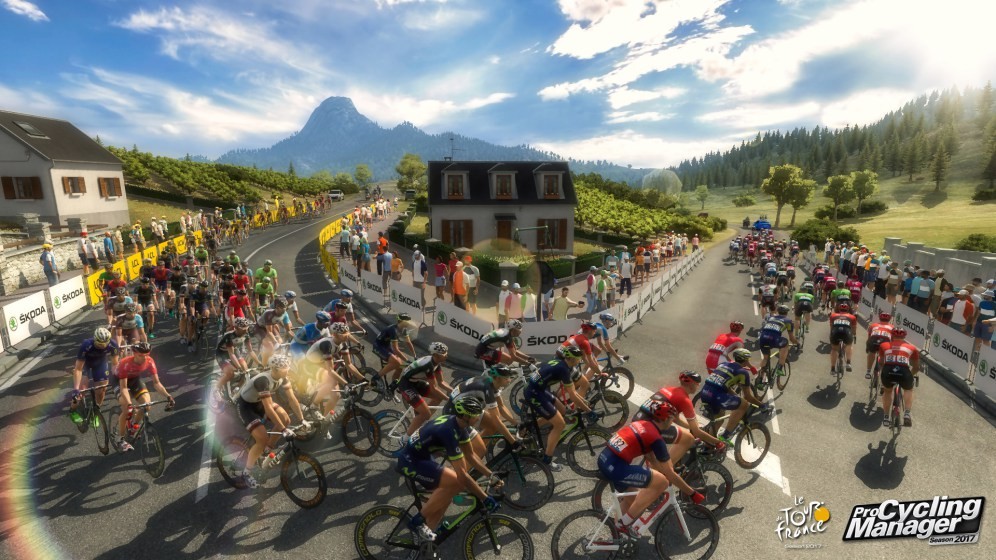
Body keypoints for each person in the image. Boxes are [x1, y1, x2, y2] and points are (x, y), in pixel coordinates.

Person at [396, 395, 499, 543]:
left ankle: (425, 543)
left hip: (422, 456)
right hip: (410, 461)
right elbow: (462, 475)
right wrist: (485, 498)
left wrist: (491, 475)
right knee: (456, 482)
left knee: (447, 496)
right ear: (465, 416)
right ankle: (417, 521)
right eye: (475, 415)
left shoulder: (460, 425)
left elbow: (471, 456)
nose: (478, 418)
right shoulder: (449, 432)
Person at [598, 399, 705, 537]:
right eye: (671, 419)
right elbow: (668, 473)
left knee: (632, 497)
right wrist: (692, 493)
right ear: (665, 419)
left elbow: (651, 458)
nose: (672, 422)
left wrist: (666, 471)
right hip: (616, 466)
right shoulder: (656, 438)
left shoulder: (643, 424)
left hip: (605, 459)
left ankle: (617, 534)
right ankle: (624, 524)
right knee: (662, 482)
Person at [234, 354, 308, 488]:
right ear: (275, 369)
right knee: (262, 439)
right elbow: (268, 409)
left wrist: (302, 420)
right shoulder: (263, 381)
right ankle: (246, 473)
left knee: (285, 419)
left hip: (259, 402)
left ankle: (267, 450)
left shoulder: (283, 378)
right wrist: (283, 430)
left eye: (288, 367)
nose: (288, 371)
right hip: (246, 407)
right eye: (285, 369)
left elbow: (292, 399)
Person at [524, 342, 595, 471]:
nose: (580, 361)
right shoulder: (564, 369)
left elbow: (573, 393)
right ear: (572, 359)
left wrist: (584, 403)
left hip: (538, 389)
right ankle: (547, 459)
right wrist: (589, 411)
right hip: (534, 393)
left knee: (562, 410)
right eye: (578, 359)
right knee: (560, 424)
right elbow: (573, 395)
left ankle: (530, 426)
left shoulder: (562, 363)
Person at [631, 371, 725, 464]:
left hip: (637, 422)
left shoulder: (667, 389)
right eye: (697, 384)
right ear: (692, 384)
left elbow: (676, 419)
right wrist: (717, 442)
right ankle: (665, 469)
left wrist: (692, 427)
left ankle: (663, 465)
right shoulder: (685, 400)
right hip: (647, 429)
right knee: (688, 439)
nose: (698, 387)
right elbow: (696, 432)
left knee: (682, 434)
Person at [441, 365, 519, 459]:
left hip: (466, 409)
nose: (509, 380)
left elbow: (501, 407)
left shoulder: (492, 383)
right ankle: (465, 463)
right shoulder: (487, 389)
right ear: (498, 378)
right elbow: (497, 419)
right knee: (480, 451)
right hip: (455, 415)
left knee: (492, 426)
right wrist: (513, 442)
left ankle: (473, 451)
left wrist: (516, 424)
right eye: (506, 378)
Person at [113, 342, 174, 452]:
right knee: (127, 409)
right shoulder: (125, 363)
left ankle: (133, 426)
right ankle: (119, 439)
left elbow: (156, 383)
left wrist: (168, 396)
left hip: (134, 379)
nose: (144, 357)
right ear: (134, 354)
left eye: (147, 354)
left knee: (147, 405)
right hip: (119, 381)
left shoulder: (149, 361)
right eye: (141, 355)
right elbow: (123, 388)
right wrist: (129, 404)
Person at [698, 349, 767, 444]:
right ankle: (725, 436)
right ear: (746, 360)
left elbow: (725, 386)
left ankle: (709, 444)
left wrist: (736, 396)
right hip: (716, 396)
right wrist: (762, 405)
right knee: (744, 404)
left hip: (705, 392)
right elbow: (748, 397)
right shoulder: (743, 372)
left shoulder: (723, 364)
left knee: (719, 418)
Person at [392, 342, 452, 442]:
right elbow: (434, 388)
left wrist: (455, 392)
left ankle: (421, 421)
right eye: (444, 354)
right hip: (406, 385)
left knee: (438, 398)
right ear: (436, 355)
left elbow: (441, 382)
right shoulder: (428, 365)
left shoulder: (436, 362)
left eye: (446, 352)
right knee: (426, 414)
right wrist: (449, 399)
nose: (446, 355)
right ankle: (404, 439)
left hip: (415, 382)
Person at [69, 328, 119, 425]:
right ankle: (72, 410)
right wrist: (76, 389)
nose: (102, 346)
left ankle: (96, 412)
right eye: (99, 344)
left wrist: (117, 379)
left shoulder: (113, 344)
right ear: (95, 339)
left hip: (100, 364)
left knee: (101, 391)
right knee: (81, 391)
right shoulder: (86, 344)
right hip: (86, 364)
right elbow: (78, 369)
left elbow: (115, 364)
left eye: (105, 344)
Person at [878, 328, 919, 427]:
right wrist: (910, 375)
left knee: (887, 391)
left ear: (892, 336)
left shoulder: (883, 345)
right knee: (908, 389)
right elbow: (917, 367)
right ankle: (907, 414)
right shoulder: (912, 348)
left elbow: (881, 362)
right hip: (904, 372)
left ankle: (886, 416)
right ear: (904, 337)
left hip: (888, 370)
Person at [373, 313, 417, 388]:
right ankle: (376, 378)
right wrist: (407, 360)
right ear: (402, 322)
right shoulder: (393, 330)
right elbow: (396, 350)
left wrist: (415, 356)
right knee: (396, 362)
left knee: (400, 366)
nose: (409, 324)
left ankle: (393, 386)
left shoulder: (403, 329)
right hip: (378, 346)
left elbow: (408, 343)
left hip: (386, 346)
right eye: (407, 322)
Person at [757, 304, 797, 381]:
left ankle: (760, 379)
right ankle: (780, 368)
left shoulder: (770, 317)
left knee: (765, 358)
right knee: (785, 343)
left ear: (778, 311)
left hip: (763, 338)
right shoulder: (788, 321)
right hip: (773, 339)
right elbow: (791, 338)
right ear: (787, 313)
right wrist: (797, 343)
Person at [829, 303, 858, 374]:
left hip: (836, 332)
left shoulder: (833, 315)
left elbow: (831, 327)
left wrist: (831, 334)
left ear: (839, 309)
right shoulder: (852, 317)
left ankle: (832, 369)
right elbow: (854, 328)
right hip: (846, 333)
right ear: (848, 310)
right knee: (849, 346)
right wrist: (854, 335)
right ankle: (848, 362)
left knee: (834, 349)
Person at [865, 312, 894, 379]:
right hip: (885, 342)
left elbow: (869, 337)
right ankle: (884, 374)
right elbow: (892, 340)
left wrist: (867, 347)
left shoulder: (873, 325)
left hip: (873, 340)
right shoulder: (892, 327)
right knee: (884, 356)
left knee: (871, 353)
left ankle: (868, 372)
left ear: (879, 318)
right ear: (889, 319)